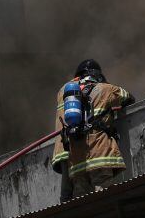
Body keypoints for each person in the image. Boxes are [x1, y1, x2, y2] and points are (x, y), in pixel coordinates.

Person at [51, 59, 134, 200]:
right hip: (100, 155)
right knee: (104, 200)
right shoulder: (104, 88)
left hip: (75, 159)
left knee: (83, 206)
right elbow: (128, 97)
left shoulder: (64, 93)